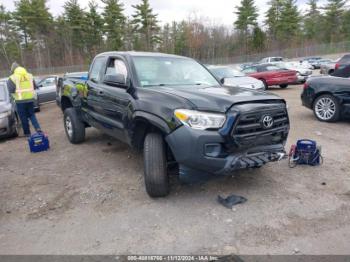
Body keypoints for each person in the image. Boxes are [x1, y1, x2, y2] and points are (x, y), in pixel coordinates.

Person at [7, 62, 42, 137]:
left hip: (20, 101)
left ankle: (27, 133)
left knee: (23, 117)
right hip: (30, 99)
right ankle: (38, 128)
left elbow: (11, 90)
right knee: (32, 115)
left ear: (13, 69)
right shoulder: (29, 75)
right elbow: (35, 86)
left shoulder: (12, 78)